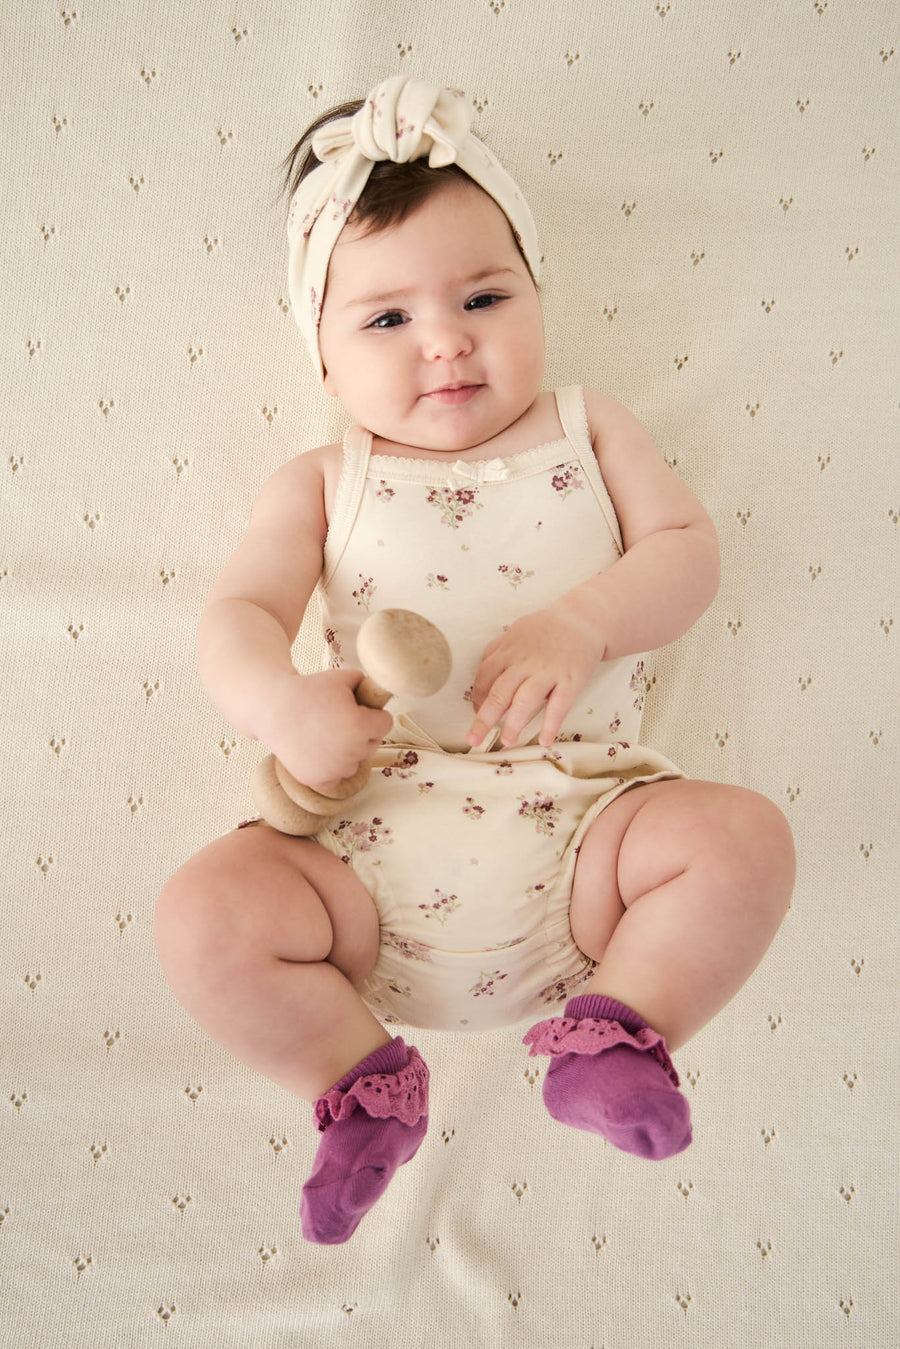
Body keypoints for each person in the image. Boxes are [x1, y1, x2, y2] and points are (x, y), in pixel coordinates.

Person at [154, 76, 796, 1245]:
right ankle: (359, 1084)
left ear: (539, 296)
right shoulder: (321, 478)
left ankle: (620, 1031)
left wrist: (587, 620)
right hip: (364, 852)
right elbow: (237, 614)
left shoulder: (589, 430)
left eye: (485, 296)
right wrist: (287, 705)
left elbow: (689, 552)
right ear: (324, 361)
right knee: (203, 913)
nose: (448, 340)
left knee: (742, 838)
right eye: (387, 319)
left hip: (586, 835)